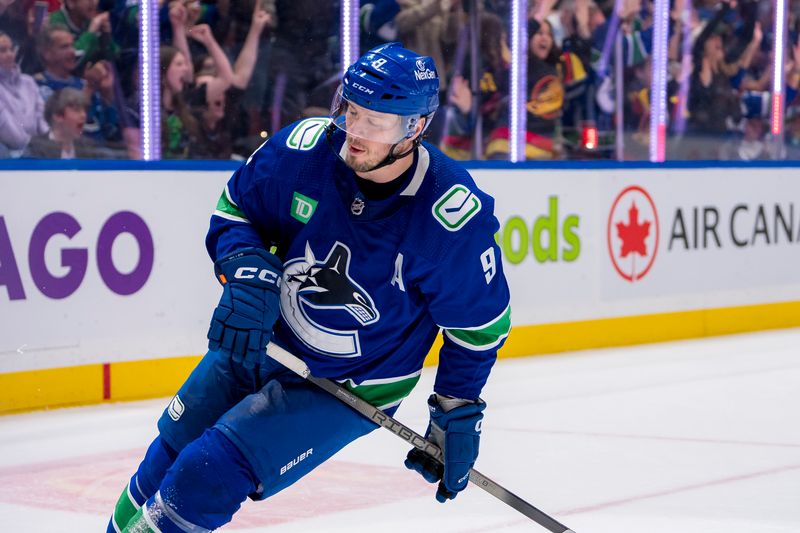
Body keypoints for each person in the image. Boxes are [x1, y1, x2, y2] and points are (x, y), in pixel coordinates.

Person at [107, 42, 511, 532]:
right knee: (164, 460)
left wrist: (455, 407)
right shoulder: (304, 150)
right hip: (262, 342)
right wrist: (245, 269)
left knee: (204, 473)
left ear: (415, 129)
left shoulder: (449, 218)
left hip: (349, 385)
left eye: (376, 121)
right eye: (351, 110)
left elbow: (479, 328)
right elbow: (235, 211)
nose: (354, 132)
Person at [0, 30, 49, 156]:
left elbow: (41, 116)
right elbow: (9, 132)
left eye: (11, 49)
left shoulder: (28, 82)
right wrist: (35, 145)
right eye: (2, 50)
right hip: (11, 154)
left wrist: (47, 141)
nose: (10, 54)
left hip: (38, 148)